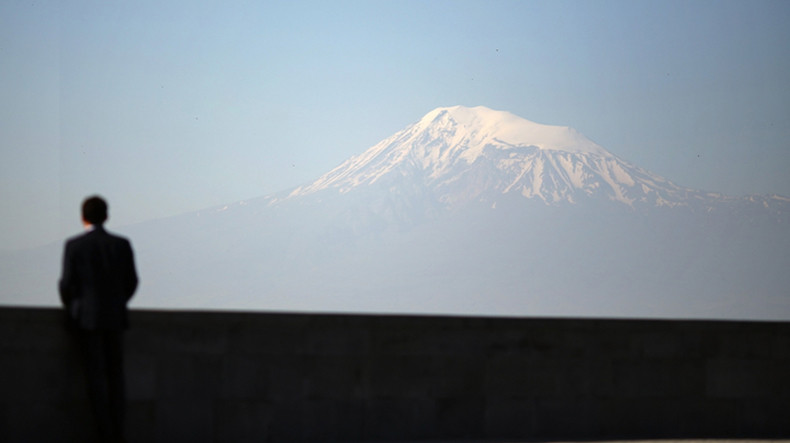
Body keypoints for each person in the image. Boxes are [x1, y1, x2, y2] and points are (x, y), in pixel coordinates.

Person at [59, 196, 138, 443]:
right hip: (115, 319)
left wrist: (77, 307)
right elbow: (131, 281)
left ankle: (101, 432)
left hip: (87, 322)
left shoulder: (74, 246)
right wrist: (117, 303)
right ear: (107, 216)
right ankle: (118, 432)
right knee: (115, 377)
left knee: (94, 377)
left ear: (83, 217)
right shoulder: (121, 244)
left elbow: (67, 285)